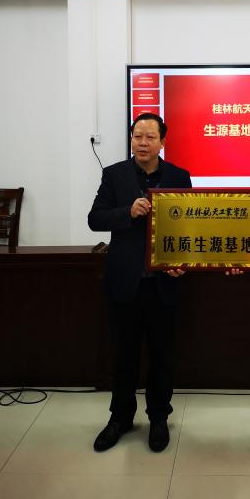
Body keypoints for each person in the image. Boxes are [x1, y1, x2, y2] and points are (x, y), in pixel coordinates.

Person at [88, 112, 191, 453]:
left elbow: (188, 227)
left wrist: (182, 263)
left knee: (163, 355)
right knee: (124, 355)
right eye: (137, 136)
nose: (142, 142)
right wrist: (126, 212)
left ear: (163, 141)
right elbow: (95, 218)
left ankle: (159, 417)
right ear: (131, 139)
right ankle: (120, 418)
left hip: (164, 283)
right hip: (125, 282)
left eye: (150, 137)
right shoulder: (114, 175)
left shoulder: (179, 176)